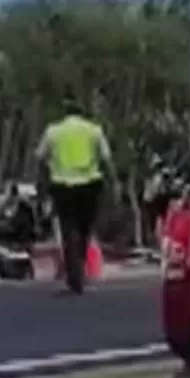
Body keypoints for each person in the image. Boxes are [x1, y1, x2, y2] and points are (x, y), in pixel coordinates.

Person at [35, 97, 118, 294]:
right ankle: (78, 271)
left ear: (65, 115)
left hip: (62, 186)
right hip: (89, 186)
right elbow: (107, 161)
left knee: (68, 228)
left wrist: (42, 185)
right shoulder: (94, 130)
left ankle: (75, 274)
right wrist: (114, 183)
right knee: (85, 229)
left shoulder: (53, 131)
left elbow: (39, 159)